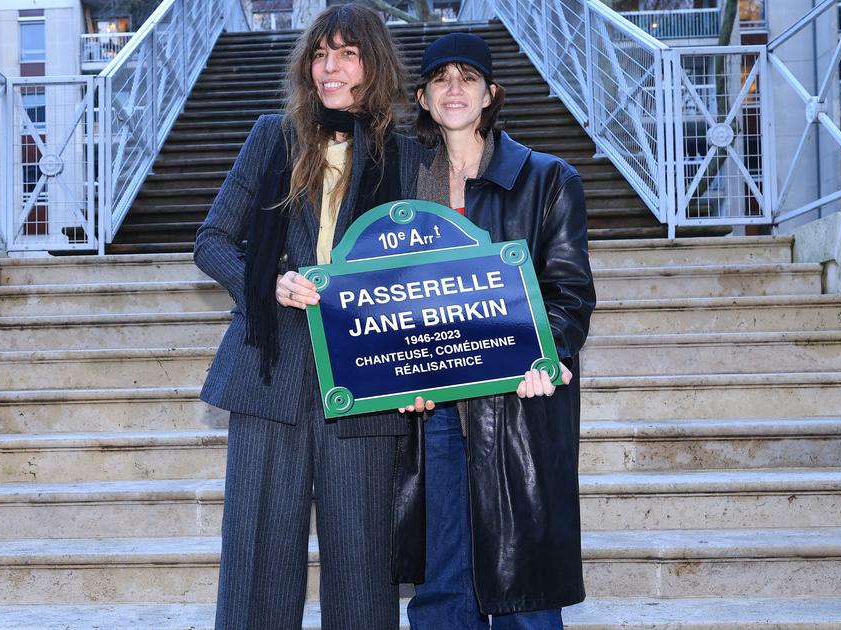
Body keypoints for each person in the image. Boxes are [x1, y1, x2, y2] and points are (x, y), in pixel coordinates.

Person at [192, 4, 430, 629]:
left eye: (347, 54)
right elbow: (211, 240)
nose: (330, 67)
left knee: (362, 569)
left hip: (368, 377)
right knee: (257, 562)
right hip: (270, 373)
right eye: (321, 54)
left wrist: (421, 373)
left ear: (373, 64)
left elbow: (426, 274)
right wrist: (269, 283)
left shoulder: (406, 157)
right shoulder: (273, 136)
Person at [392, 32, 597, 629]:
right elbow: (383, 296)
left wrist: (548, 354)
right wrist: (390, 373)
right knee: (442, 584)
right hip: (431, 415)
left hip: (515, 411)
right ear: (424, 98)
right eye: (440, 80)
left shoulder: (549, 180)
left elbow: (569, 292)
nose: (454, 89)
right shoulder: (403, 188)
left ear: (490, 93)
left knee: (520, 585)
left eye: (468, 78)